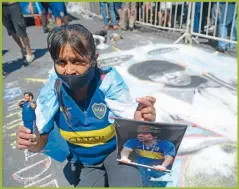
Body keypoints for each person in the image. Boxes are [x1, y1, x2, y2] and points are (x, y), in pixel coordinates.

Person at [16, 24, 156, 187]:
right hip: (84, 162)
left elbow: (130, 115)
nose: (69, 70)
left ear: (94, 59)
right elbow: (40, 142)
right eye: (61, 62)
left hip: (116, 152)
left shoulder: (107, 82)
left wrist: (140, 119)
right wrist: (32, 143)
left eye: (77, 61)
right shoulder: (52, 92)